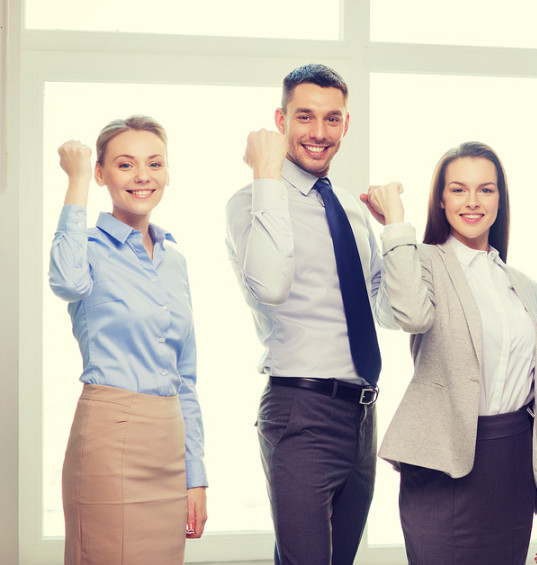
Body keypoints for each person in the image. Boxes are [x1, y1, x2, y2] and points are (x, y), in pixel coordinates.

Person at [225, 63, 396, 565]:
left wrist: (398, 232)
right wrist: (265, 174)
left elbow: (386, 310)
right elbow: (271, 284)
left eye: (332, 119)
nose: (319, 133)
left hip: (363, 414)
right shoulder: (250, 201)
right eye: (304, 116)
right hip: (301, 410)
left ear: (346, 125)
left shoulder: (351, 207)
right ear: (280, 121)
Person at [364, 142, 537, 565]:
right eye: (458, 190)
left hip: (512, 467)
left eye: (486, 190)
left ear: (500, 199)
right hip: (444, 467)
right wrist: (397, 224)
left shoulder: (522, 284)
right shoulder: (423, 261)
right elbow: (412, 316)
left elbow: (535, 400)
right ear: (441, 199)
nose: (473, 202)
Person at [49, 115, 208, 565]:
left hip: (169, 442)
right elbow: (65, 282)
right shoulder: (86, 248)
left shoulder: (174, 261)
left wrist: (195, 475)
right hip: (110, 439)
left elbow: (185, 376)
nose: (143, 176)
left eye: (154, 164)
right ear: (102, 174)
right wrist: (76, 180)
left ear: (167, 173)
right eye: (125, 164)